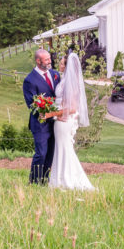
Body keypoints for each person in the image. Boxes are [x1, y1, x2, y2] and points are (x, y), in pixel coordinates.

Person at [49, 51, 96, 191]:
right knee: (61, 149)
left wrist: (52, 113)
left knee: (65, 149)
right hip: (59, 118)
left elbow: (73, 107)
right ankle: (59, 179)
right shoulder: (63, 80)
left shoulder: (72, 83)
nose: (60, 65)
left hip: (64, 120)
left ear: (67, 66)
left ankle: (66, 179)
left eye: (62, 63)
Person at [23, 49, 60, 184]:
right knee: (41, 153)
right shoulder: (29, 80)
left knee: (50, 154)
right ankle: (34, 181)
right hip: (40, 124)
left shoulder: (55, 74)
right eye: (46, 60)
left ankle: (45, 180)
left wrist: (56, 114)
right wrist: (47, 113)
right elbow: (32, 104)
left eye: (50, 58)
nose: (50, 61)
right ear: (38, 61)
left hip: (55, 122)